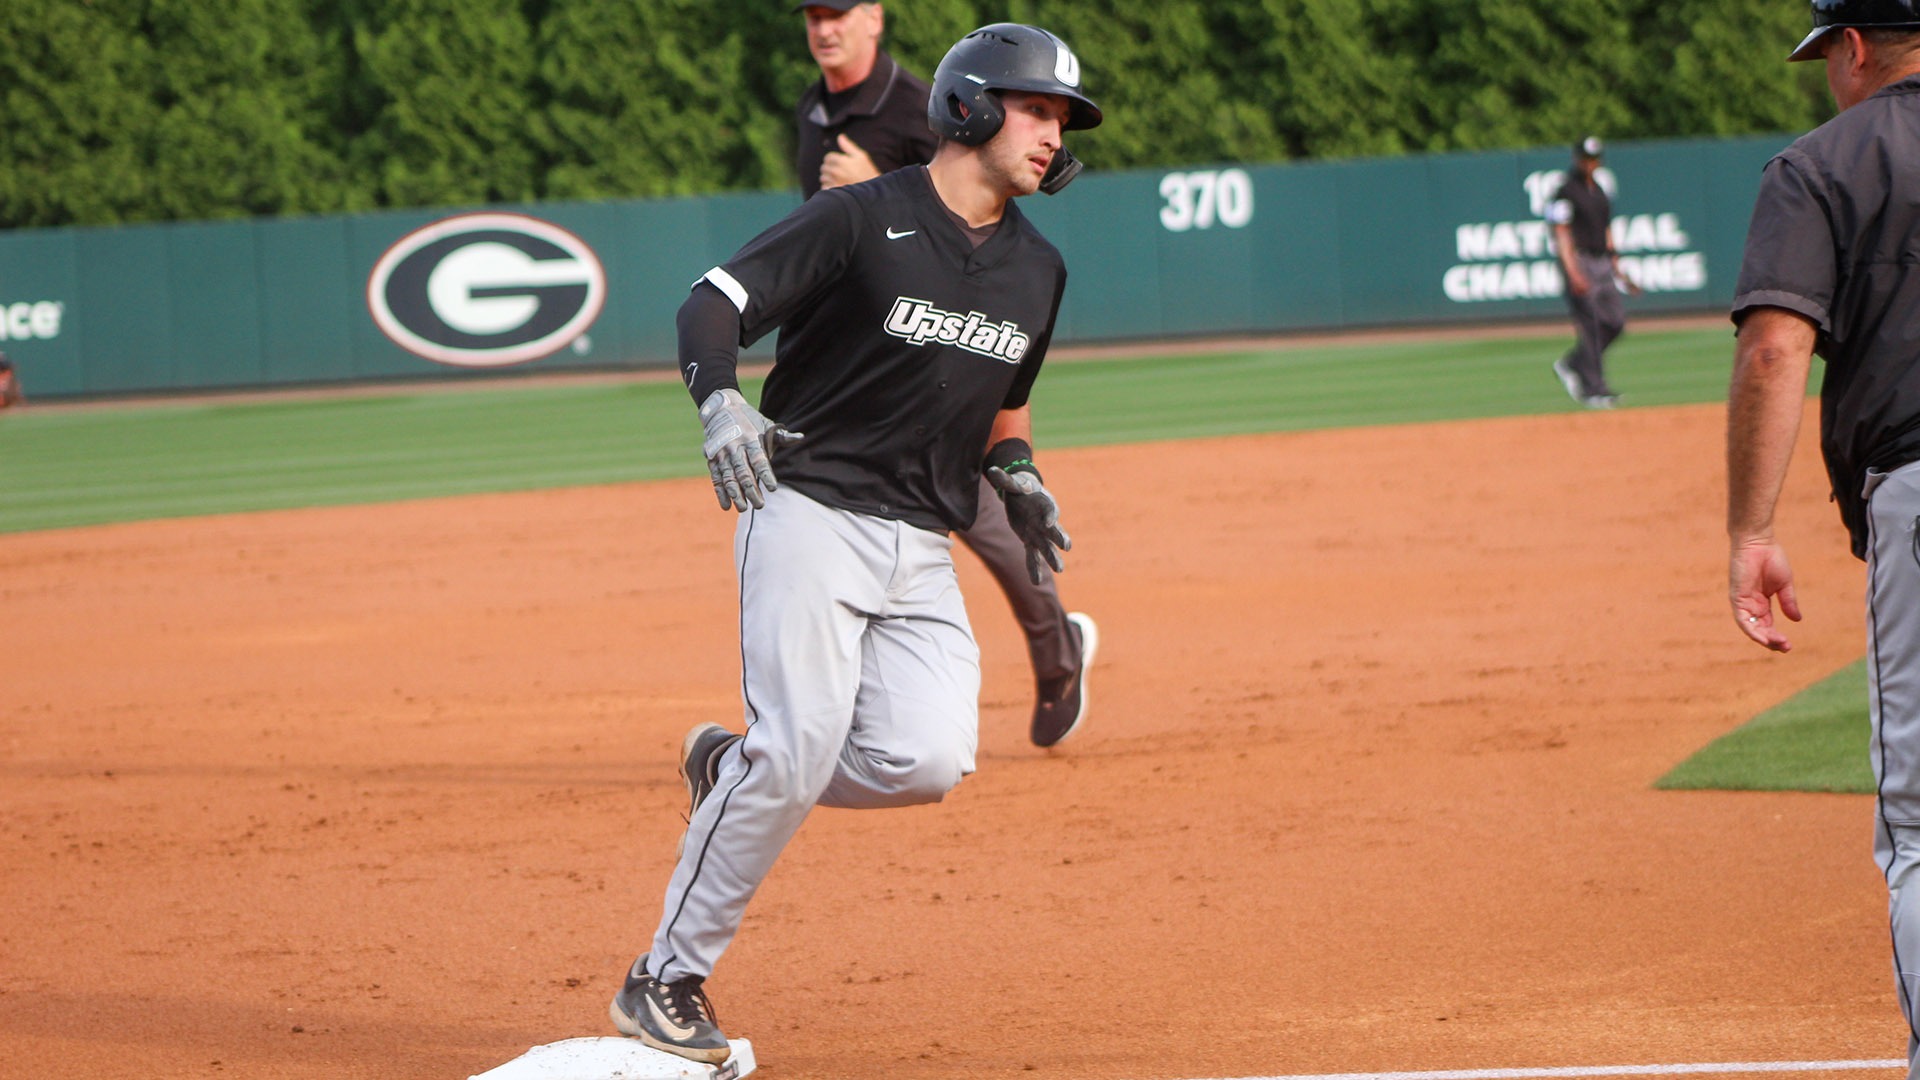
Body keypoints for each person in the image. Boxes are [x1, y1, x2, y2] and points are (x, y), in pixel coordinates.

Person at [608, 24, 1102, 1064]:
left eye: (1062, 119)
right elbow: (713, 304)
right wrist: (720, 405)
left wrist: (1019, 474)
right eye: (1036, 110)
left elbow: (1006, 398)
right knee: (797, 746)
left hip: (920, 541)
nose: (1053, 134)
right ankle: (665, 978)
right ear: (969, 107)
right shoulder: (859, 217)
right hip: (808, 510)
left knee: (928, 758)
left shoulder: (1039, 269)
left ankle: (733, 768)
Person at [792, 0, 1098, 747]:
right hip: (869, 349)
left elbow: (950, 204)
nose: (825, 28)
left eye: (839, 13)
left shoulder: (918, 104)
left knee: (989, 516)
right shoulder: (813, 109)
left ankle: (1058, 649)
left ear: (874, 18)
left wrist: (871, 179)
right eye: (813, 15)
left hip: (944, 349)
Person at [1724, 0, 1920, 1071]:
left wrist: (1751, 530)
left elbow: (1773, 349)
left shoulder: (1821, 163)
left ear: (1851, 47)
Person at [1547, 136, 1640, 409]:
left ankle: (1573, 363)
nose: (1591, 163)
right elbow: (1561, 233)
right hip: (1581, 260)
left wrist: (1618, 269)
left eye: (1595, 158)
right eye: (1586, 158)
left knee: (1614, 322)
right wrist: (1573, 272)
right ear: (1577, 159)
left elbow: (1606, 230)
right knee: (1591, 327)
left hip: (1602, 262)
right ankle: (1594, 390)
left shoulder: (1599, 190)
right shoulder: (1565, 191)